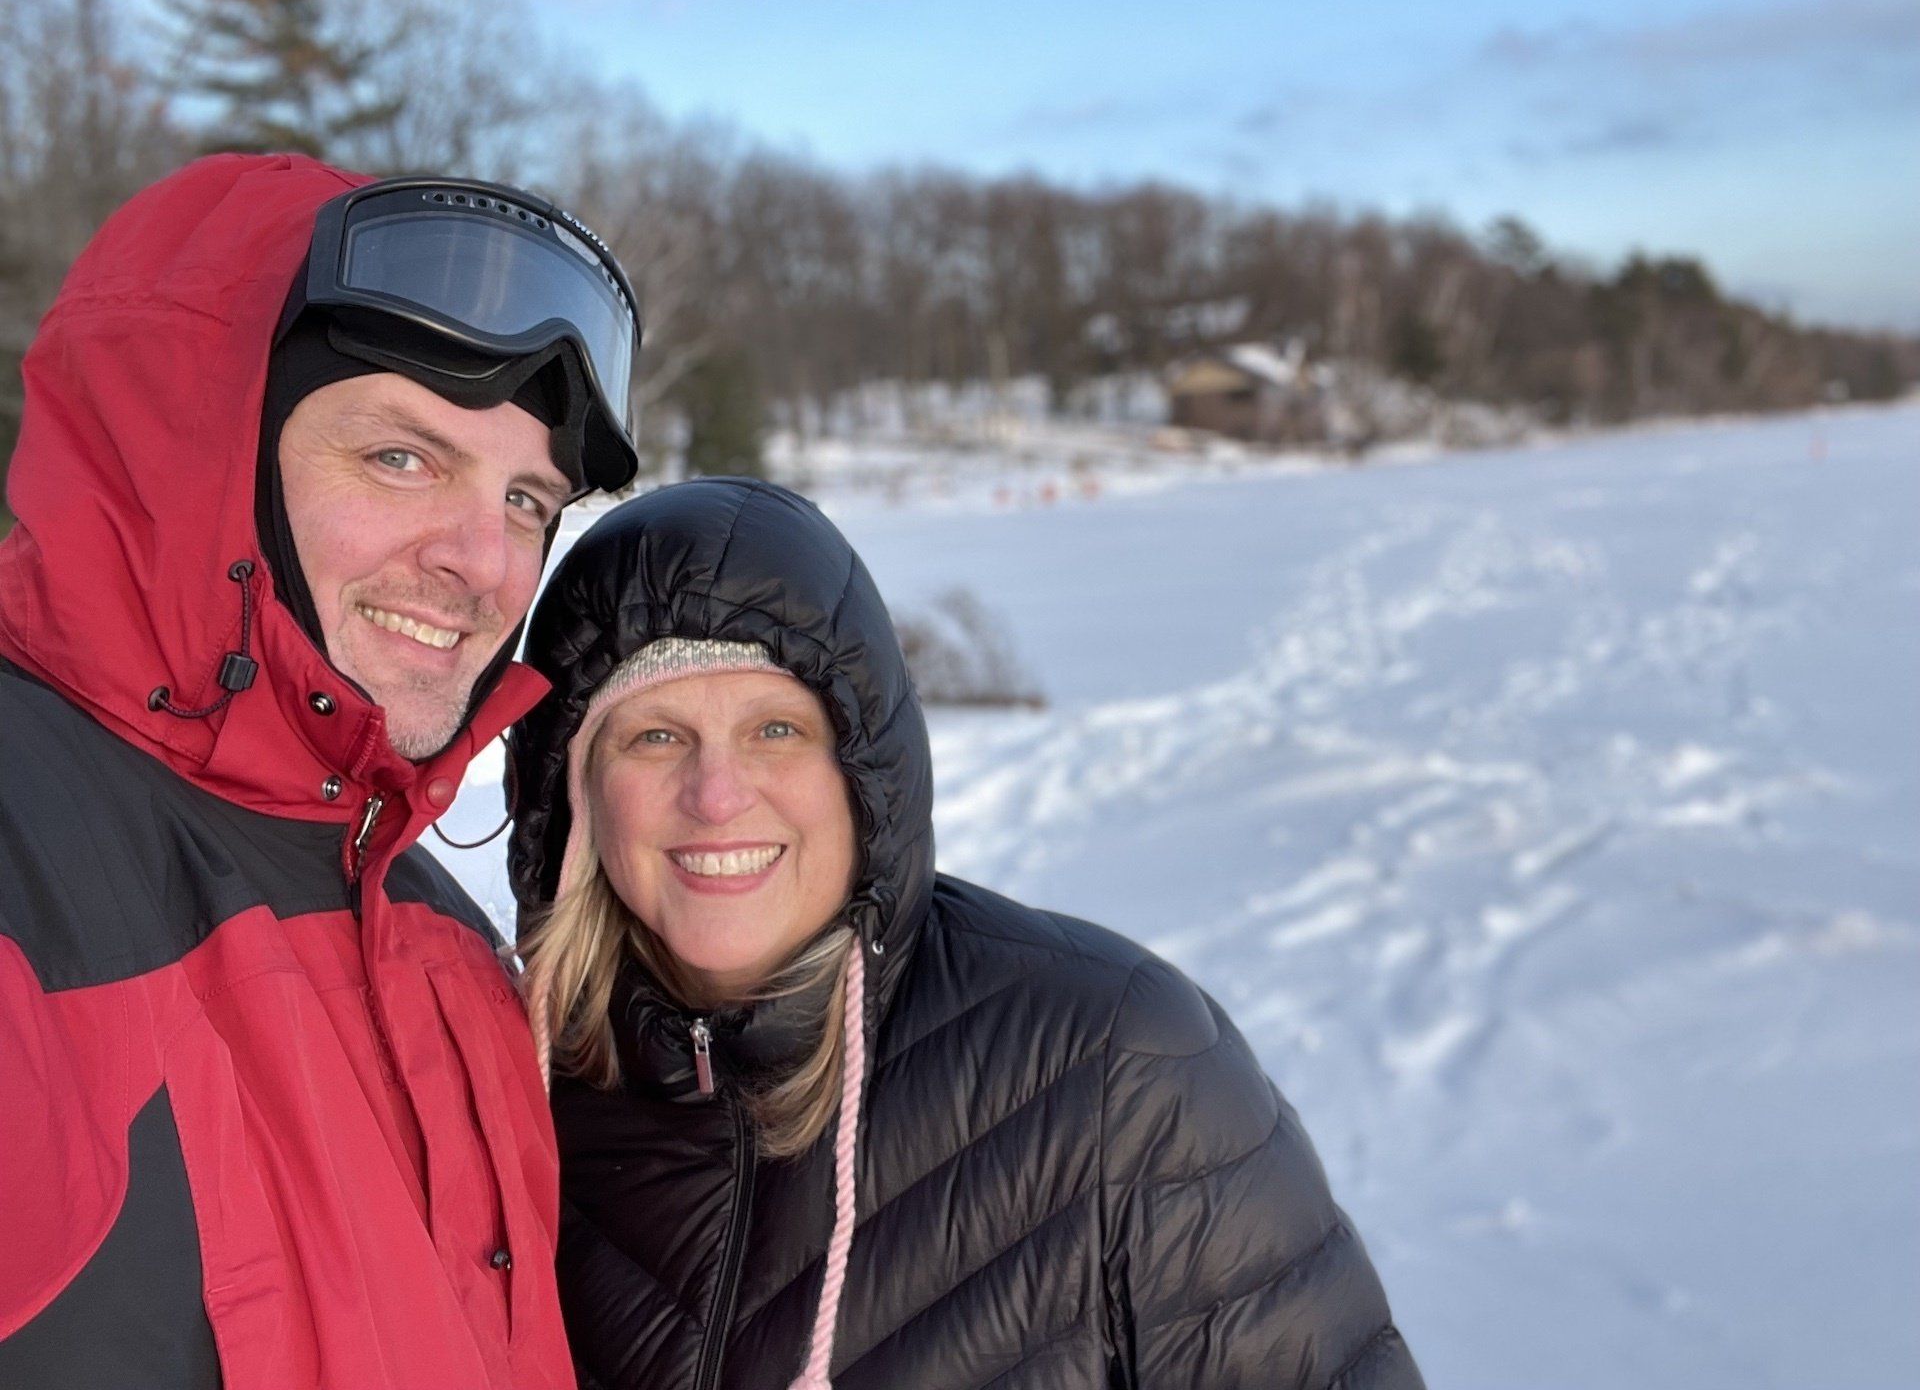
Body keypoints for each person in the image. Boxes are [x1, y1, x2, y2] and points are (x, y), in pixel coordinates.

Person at [507, 477, 1424, 1390]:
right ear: (573, 791)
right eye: (655, 737)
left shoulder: (1122, 1071)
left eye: (777, 729)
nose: (716, 796)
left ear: (867, 773)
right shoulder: (501, 1088)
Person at [0, 153, 642, 1387]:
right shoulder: (24, 862)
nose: (485, 563)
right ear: (195, 451)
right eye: (402, 458)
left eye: (525, 499)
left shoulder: (448, 949)